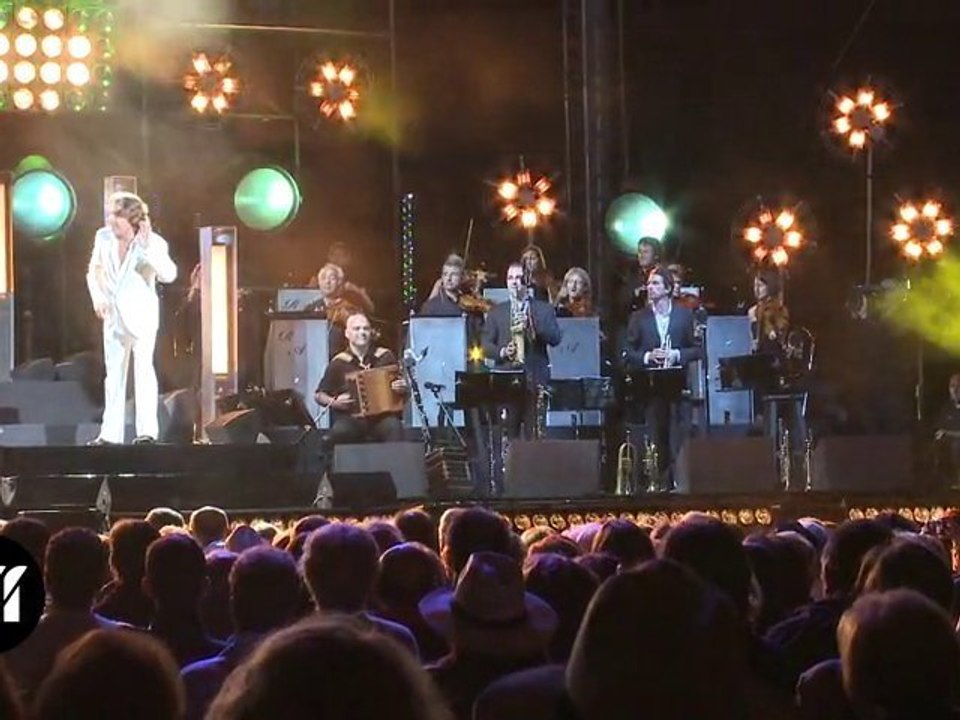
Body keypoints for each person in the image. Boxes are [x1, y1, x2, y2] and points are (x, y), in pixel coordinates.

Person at [86, 191, 178, 445]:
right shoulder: (102, 237)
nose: (111, 221)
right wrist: (98, 297)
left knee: (144, 371)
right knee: (113, 377)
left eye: (117, 216)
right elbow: (94, 271)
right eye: (109, 215)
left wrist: (147, 249)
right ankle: (109, 435)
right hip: (114, 318)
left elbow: (169, 274)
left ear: (132, 219)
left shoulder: (152, 243)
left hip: (142, 317)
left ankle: (147, 432)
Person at [623, 266, 701, 489]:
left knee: (679, 437)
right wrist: (648, 356)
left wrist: (676, 354)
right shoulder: (639, 318)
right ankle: (658, 484)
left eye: (656, 283)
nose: (650, 287)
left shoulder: (684, 315)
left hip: (678, 387)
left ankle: (681, 484)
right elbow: (627, 353)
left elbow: (697, 349)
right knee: (657, 437)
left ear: (668, 288)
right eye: (649, 283)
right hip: (651, 388)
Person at [482, 262, 562, 441]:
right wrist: (502, 352)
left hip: (535, 381)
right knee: (508, 437)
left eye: (518, 278)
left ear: (526, 282)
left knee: (534, 437)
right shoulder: (496, 311)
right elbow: (485, 345)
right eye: (510, 278)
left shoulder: (543, 309)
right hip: (507, 382)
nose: (514, 282)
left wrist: (533, 325)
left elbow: (556, 338)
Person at [315, 312, 407, 445]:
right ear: (347, 333)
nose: (362, 332)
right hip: (351, 418)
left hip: (382, 419)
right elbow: (319, 395)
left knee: (394, 428)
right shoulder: (339, 362)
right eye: (356, 329)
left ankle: (393, 465)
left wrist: (402, 387)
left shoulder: (385, 357)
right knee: (340, 431)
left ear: (371, 332)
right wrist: (335, 402)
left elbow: (403, 390)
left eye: (366, 328)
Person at [748, 268, 789, 356]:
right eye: (755, 285)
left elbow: (781, 326)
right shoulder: (753, 310)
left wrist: (772, 330)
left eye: (760, 285)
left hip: (773, 352)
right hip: (757, 353)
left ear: (769, 287)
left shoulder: (778, 308)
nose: (757, 289)